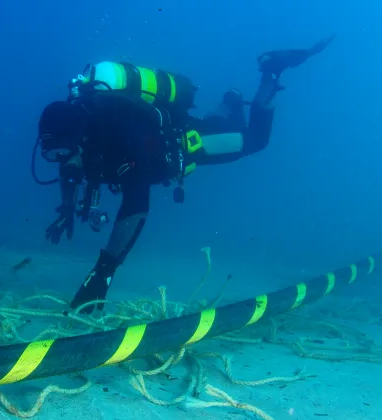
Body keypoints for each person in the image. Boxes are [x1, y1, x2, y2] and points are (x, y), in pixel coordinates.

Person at [31, 36, 335, 314]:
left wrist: (104, 271)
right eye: (54, 154)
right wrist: (67, 207)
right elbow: (69, 166)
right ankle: (229, 103)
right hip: (172, 134)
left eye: (64, 151)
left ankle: (272, 71)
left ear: (82, 134)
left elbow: (136, 207)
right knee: (208, 126)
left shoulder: (122, 137)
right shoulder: (78, 136)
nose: (63, 160)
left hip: (186, 145)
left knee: (254, 140)